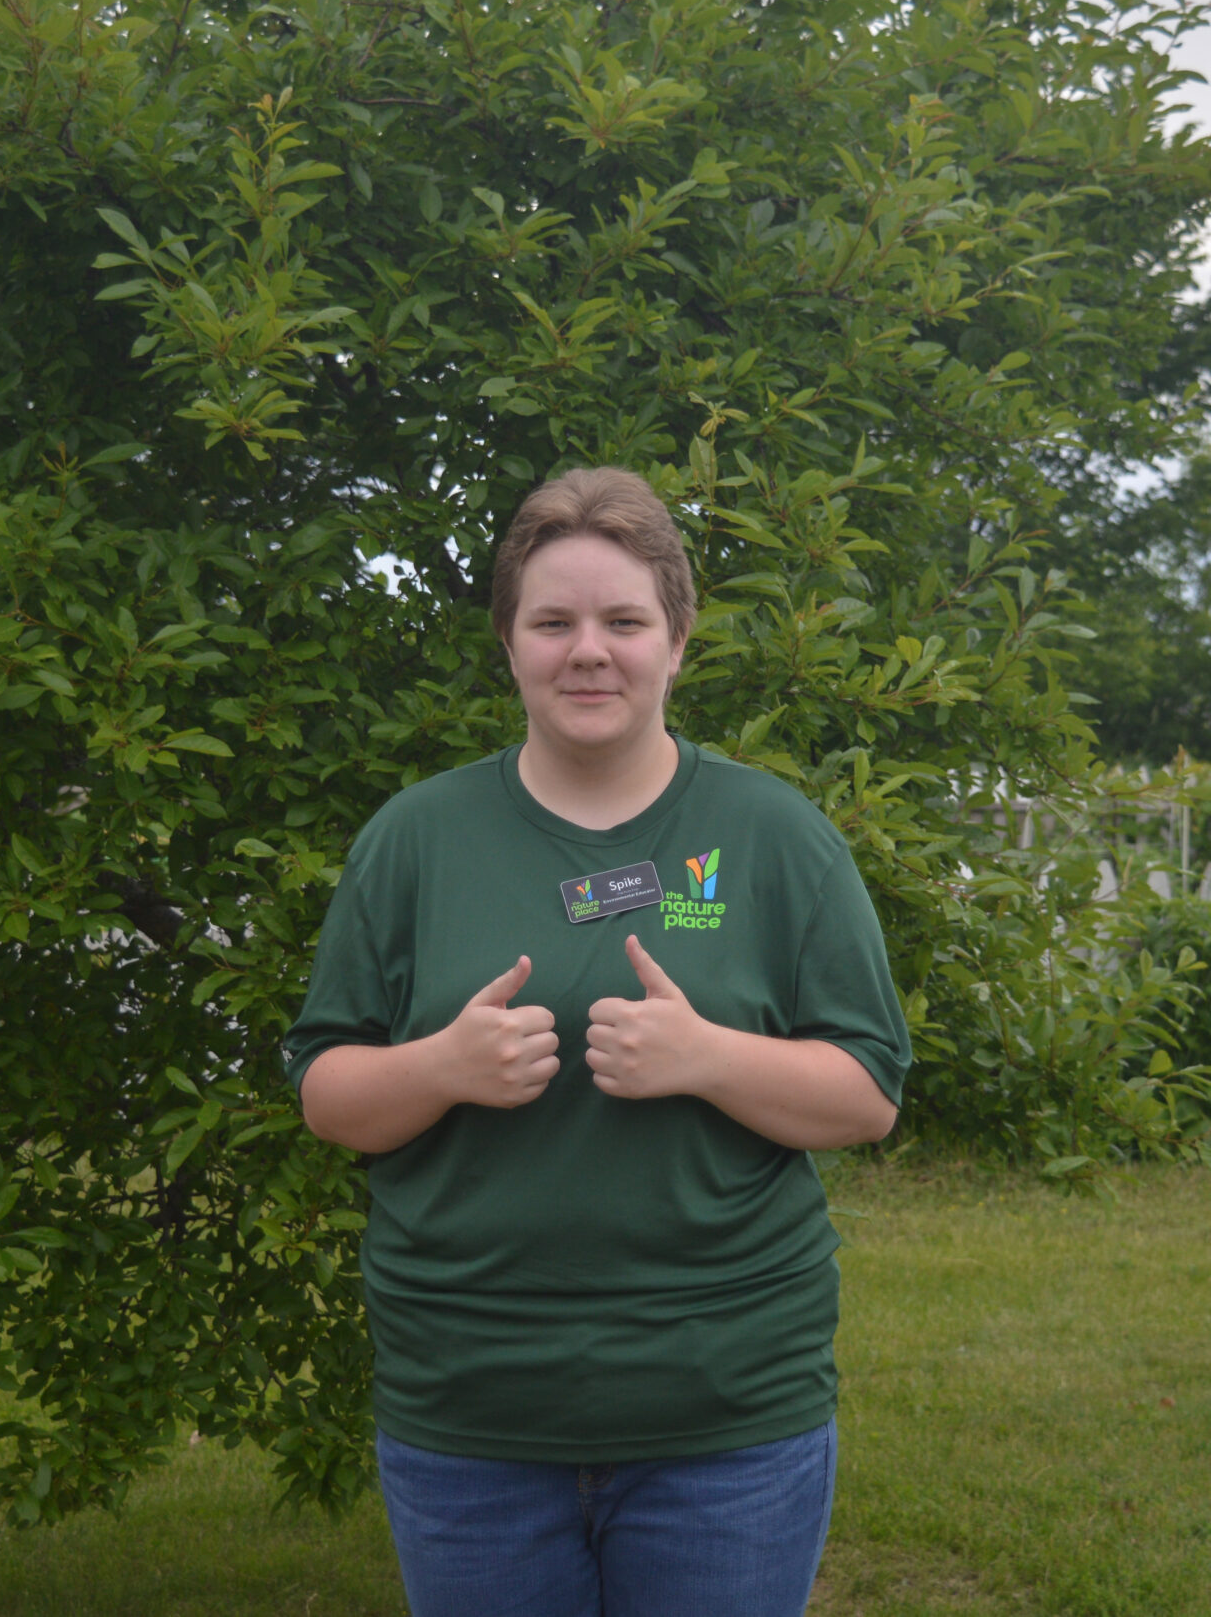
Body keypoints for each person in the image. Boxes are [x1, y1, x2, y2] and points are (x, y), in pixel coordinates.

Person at [284, 466, 909, 1617]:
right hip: (471, 1419)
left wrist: (707, 1057)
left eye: (623, 620)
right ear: (508, 642)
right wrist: (438, 1070)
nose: (589, 650)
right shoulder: (415, 840)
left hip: (727, 1423)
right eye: (553, 621)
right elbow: (329, 1092)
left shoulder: (773, 838)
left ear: (677, 639)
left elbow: (866, 1094)